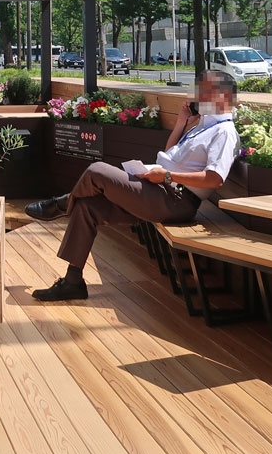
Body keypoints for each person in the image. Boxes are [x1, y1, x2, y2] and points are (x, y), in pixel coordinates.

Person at [23, 70, 240, 301]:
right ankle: (73, 281)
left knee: (97, 171)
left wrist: (167, 176)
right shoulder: (201, 126)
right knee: (87, 207)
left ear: (224, 96)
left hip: (176, 200)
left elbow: (215, 178)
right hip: (159, 191)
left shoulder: (224, 132)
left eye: (204, 90)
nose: (197, 95)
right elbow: (169, 155)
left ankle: (62, 204)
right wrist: (181, 123)